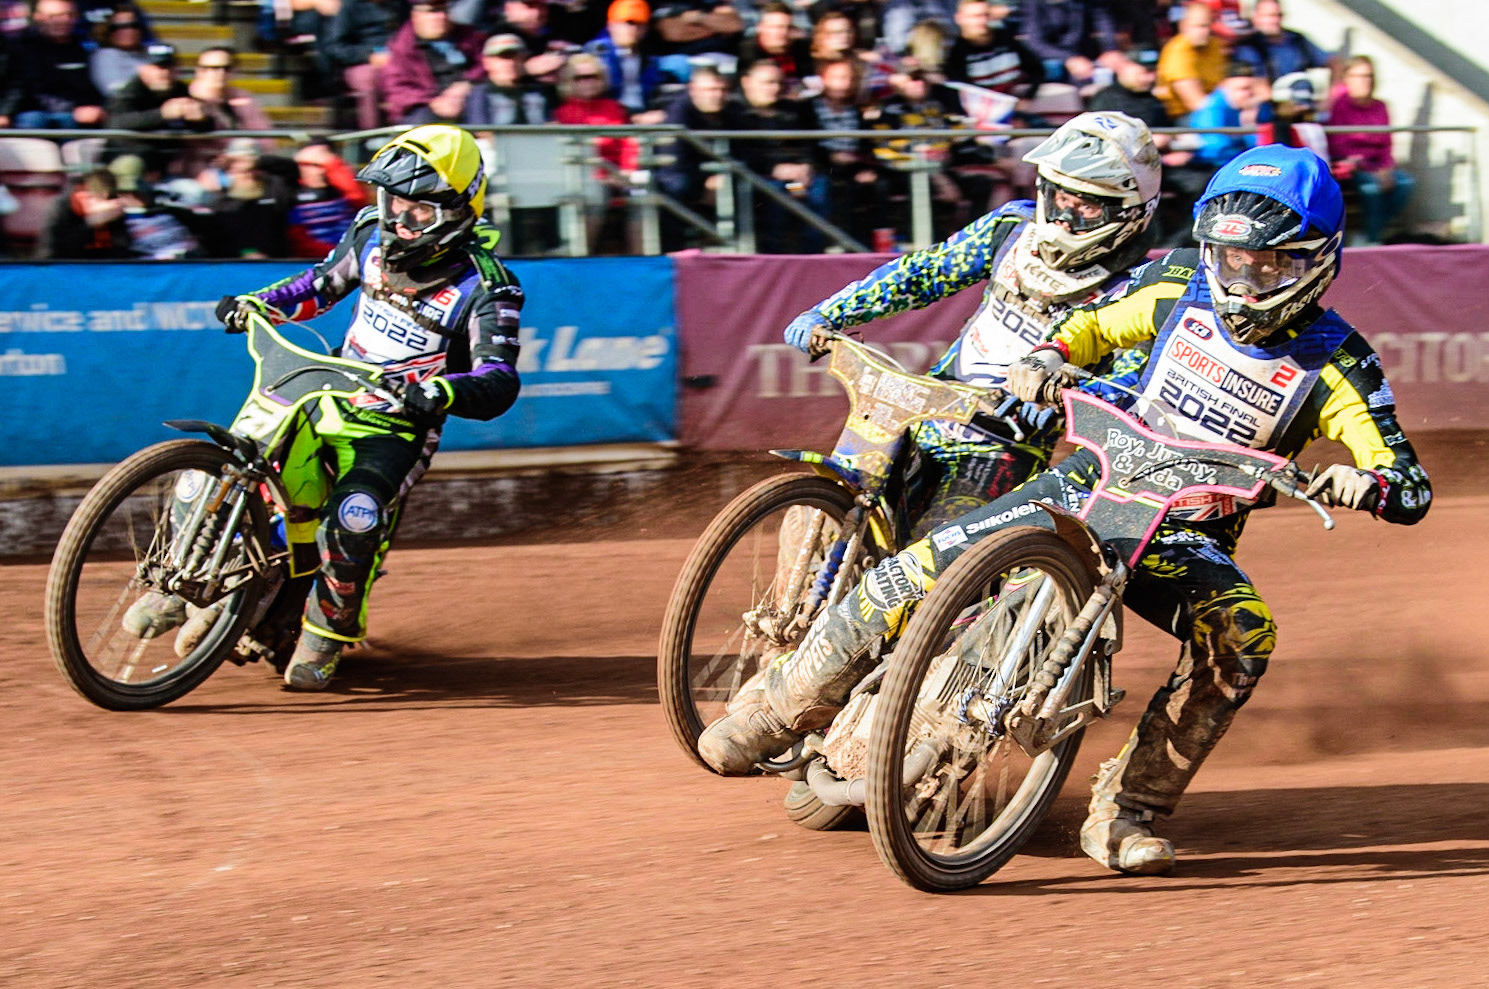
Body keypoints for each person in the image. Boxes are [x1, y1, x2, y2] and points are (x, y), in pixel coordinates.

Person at [698, 145, 1433, 880]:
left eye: (1268, 266)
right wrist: (1047, 355)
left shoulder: (1340, 363)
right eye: (1230, 259)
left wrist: (1360, 485)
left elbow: (1407, 482)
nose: (1244, 281)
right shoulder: (1178, 282)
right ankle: (777, 708)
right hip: (1087, 480)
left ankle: (1126, 811)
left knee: (1244, 633)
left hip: (1181, 533)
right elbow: (1093, 327)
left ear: (1317, 262)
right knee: (917, 566)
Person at [123, 126, 524, 692]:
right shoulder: (368, 236)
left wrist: (440, 391)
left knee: (353, 517)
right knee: (239, 468)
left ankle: (325, 637)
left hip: (397, 426)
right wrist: (259, 303)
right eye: (393, 205)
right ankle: (180, 583)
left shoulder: (489, 288)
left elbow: (499, 378)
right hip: (326, 391)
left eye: (417, 213)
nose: (398, 223)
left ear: (457, 213)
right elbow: (320, 285)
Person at [771, 111, 1161, 545]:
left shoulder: (1137, 290)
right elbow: (921, 273)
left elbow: (1129, 390)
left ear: (1128, 213)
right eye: (1060, 198)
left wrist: (1066, 399)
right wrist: (832, 312)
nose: (1065, 217)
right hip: (924, 411)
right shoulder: (1012, 230)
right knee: (817, 517)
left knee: (936, 551)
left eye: (1085, 206)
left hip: (1004, 446)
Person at [735, 57, 826, 253]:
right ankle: (773, 257)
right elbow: (740, 152)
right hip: (758, 180)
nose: (775, 88)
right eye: (768, 82)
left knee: (817, 189)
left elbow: (807, 146)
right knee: (774, 195)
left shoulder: (790, 112)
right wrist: (773, 169)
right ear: (746, 82)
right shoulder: (734, 114)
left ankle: (813, 255)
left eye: (778, 83)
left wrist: (805, 166)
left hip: (794, 181)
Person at [1328, 55, 1414, 246]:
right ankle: (1373, 239)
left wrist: (1386, 168)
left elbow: (1387, 143)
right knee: (1372, 188)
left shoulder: (1380, 107)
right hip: (1352, 167)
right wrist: (1372, 171)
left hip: (1378, 165)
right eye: (1358, 76)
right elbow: (1340, 146)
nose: (1364, 81)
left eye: (1368, 76)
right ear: (1347, 79)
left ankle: (1371, 232)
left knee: (1405, 183)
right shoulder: (1340, 106)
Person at [0, 0, 107, 129]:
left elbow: (92, 88)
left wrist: (96, 109)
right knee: (38, 119)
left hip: (77, 115)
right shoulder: (21, 48)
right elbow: (22, 89)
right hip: (32, 113)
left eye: (68, 15)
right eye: (53, 16)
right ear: (38, 17)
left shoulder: (84, 49)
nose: (62, 21)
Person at [380, 0, 488, 125]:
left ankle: (490, 141)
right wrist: (434, 102)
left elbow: (486, 64)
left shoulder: (468, 36)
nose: (441, 17)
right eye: (432, 12)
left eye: (444, 10)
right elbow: (397, 90)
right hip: (427, 106)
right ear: (416, 15)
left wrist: (467, 84)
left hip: (468, 96)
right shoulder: (401, 47)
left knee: (481, 98)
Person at [324, 0, 409, 130]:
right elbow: (334, 46)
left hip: (399, 60)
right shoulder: (350, 6)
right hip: (362, 62)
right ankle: (371, 135)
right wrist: (368, 56)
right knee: (369, 83)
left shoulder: (402, 5)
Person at [585, 0, 669, 117]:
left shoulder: (650, 60)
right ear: (611, 25)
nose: (633, 29)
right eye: (627, 23)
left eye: (639, 24)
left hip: (643, 114)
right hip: (607, 115)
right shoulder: (597, 52)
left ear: (645, 29)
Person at [287, 140, 369, 258]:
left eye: (325, 164)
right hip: (320, 259)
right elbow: (300, 243)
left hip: (351, 252)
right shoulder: (292, 194)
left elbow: (357, 198)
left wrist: (333, 163)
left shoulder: (339, 190)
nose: (321, 170)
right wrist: (340, 253)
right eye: (314, 165)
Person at [943, 0, 1042, 97]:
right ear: (959, 19)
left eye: (986, 15)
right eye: (976, 16)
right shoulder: (956, 54)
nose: (983, 21)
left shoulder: (1005, 38)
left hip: (1020, 98)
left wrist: (1028, 96)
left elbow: (1036, 69)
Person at [459, 32, 560, 123]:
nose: (511, 63)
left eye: (517, 57)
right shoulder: (480, 93)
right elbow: (480, 129)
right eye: (503, 57)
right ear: (487, 62)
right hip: (496, 143)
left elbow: (552, 123)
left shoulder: (541, 91)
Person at [1155, 0, 1226, 120]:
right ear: (1183, 26)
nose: (1206, 31)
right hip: (1187, 117)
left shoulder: (1214, 45)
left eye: (1208, 25)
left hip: (1217, 108)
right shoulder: (1177, 52)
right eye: (1200, 26)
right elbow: (1196, 103)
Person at [1230, 0, 1332, 83]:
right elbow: (1251, 85)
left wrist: (1332, 96)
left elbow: (1334, 62)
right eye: (1269, 16)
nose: (1275, 20)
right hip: (1271, 105)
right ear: (1255, 17)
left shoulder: (1297, 40)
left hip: (1304, 101)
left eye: (1278, 15)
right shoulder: (1248, 47)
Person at [736, 1, 812, 95]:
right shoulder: (746, 52)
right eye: (776, 27)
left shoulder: (802, 49)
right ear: (760, 27)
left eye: (788, 27)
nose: (783, 32)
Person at [90, 5, 151, 95]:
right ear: (107, 30)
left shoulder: (151, 53)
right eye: (119, 27)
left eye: (133, 25)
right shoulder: (105, 56)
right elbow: (114, 91)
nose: (129, 30)